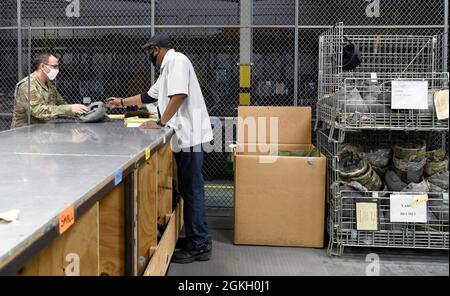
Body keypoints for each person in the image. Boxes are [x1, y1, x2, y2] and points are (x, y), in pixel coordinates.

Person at [107, 35, 213, 264]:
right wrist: (121, 102)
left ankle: (200, 245)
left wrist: (161, 122)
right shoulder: (167, 69)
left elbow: (179, 96)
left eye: (151, 51)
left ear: (156, 49)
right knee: (187, 188)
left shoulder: (177, 61)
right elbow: (149, 95)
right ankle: (196, 237)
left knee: (193, 190)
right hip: (185, 136)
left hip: (190, 136)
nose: (150, 56)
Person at [11, 53, 88, 128]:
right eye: (54, 66)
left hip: (40, 130)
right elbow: (38, 111)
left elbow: (60, 103)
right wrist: (69, 108)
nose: (57, 70)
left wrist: (78, 111)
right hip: (24, 132)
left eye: (57, 67)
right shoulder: (27, 85)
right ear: (42, 66)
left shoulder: (49, 84)